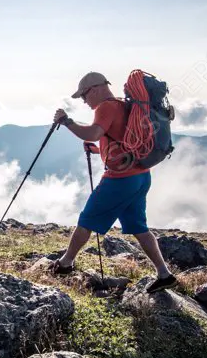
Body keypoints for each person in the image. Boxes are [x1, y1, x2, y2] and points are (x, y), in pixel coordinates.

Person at [49, 71, 178, 294]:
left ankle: (65, 263)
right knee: (139, 228)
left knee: (86, 219)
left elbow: (92, 132)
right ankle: (164, 274)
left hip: (120, 180)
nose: (84, 101)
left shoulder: (105, 107)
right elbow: (123, 139)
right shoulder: (123, 105)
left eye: (84, 95)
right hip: (141, 175)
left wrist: (67, 121)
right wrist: (100, 149)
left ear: (96, 89)